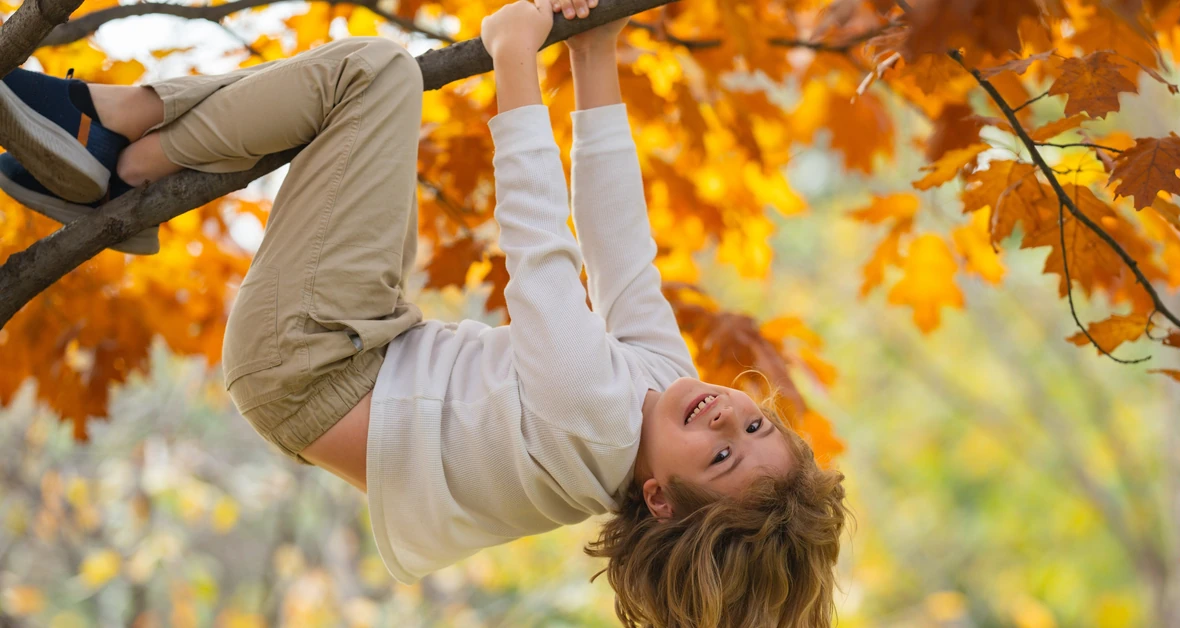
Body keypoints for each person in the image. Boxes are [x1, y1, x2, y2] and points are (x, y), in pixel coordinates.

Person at [0, 0, 847, 624]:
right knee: (357, 102)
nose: (728, 419)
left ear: (660, 500)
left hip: (309, 363)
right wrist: (596, 53)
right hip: (367, 338)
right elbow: (621, 245)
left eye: (722, 457)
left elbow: (544, 259)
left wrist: (515, 60)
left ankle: (115, 131)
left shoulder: (592, 426)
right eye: (757, 426)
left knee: (371, 76)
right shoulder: (661, 388)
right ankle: (120, 158)